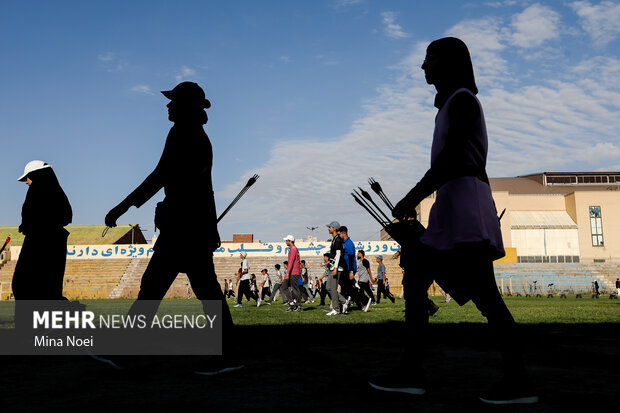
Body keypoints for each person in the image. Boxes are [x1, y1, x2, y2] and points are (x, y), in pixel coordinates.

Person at [369, 38, 537, 404]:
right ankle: (412, 371)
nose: (424, 67)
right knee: (416, 276)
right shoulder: (453, 103)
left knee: (486, 298)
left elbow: (448, 161)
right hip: (456, 205)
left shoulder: (461, 101)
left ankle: (516, 379)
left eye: (430, 60)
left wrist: (411, 197)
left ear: (449, 63)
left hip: (464, 207)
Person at [104, 82, 240, 375]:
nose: (168, 106)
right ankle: (228, 353)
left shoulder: (183, 133)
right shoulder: (194, 134)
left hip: (183, 229)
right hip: (188, 228)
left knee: (161, 289)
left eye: (173, 102)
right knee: (191, 290)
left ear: (185, 106)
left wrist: (124, 206)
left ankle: (128, 350)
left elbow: (160, 176)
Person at [12, 160, 72, 300]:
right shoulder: (58, 193)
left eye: (28, 177)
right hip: (56, 243)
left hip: (38, 241)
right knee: (50, 289)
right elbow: (66, 216)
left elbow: (28, 219)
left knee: (22, 285)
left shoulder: (36, 191)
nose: (26, 182)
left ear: (36, 175)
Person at [325, 221, 348, 316]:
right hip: (334, 266)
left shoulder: (337, 239)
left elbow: (338, 254)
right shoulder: (335, 239)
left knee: (333, 289)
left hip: (337, 267)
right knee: (328, 288)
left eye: (329, 227)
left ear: (334, 228)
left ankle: (336, 309)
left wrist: (335, 267)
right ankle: (344, 301)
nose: (328, 229)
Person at [281, 235, 302, 312]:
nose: (285, 242)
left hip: (293, 272)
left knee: (295, 289)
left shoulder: (293, 249)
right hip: (292, 272)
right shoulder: (292, 249)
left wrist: (287, 273)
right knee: (284, 287)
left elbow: (291, 262)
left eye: (286, 240)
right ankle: (292, 303)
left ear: (290, 241)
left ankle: (299, 305)